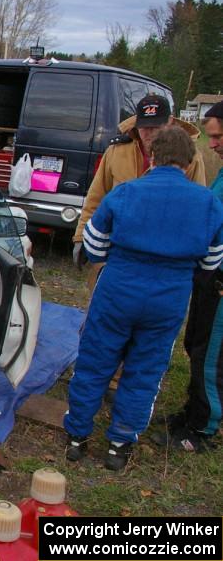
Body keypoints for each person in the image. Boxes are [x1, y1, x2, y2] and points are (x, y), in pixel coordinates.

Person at [63, 126, 223, 470]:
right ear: (190, 160)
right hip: (169, 296)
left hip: (119, 288)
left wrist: (119, 258)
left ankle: (77, 436)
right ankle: (119, 444)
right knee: (146, 370)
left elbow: (93, 245)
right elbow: (212, 261)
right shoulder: (208, 202)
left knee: (95, 360)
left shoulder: (125, 193)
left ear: (152, 156)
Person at [72, 94, 206, 286]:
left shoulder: (190, 157)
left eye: (156, 127)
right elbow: (96, 197)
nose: (149, 133)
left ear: (169, 122)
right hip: (115, 253)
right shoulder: (117, 151)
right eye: (144, 127)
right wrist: (80, 236)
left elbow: (196, 209)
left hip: (162, 259)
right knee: (104, 307)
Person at [156, 101, 223, 452]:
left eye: (218, 136)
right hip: (208, 278)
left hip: (219, 280)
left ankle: (203, 428)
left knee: (210, 355)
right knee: (195, 345)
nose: (212, 144)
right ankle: (192, 410)